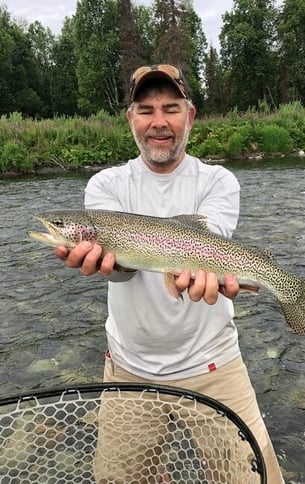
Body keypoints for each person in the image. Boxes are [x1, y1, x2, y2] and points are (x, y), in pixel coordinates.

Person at [55, 64, 284, 483]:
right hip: (128, 369)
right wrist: (114, 263)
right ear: (130, 119)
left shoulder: (218, 181)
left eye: (170, 108)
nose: (158, 122)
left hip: (214, 363)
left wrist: (212, 273)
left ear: (190, 116)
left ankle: (290, 291)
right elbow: (120, 269)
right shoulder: (105, 186)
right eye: (145, 110)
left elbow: (212, 240)